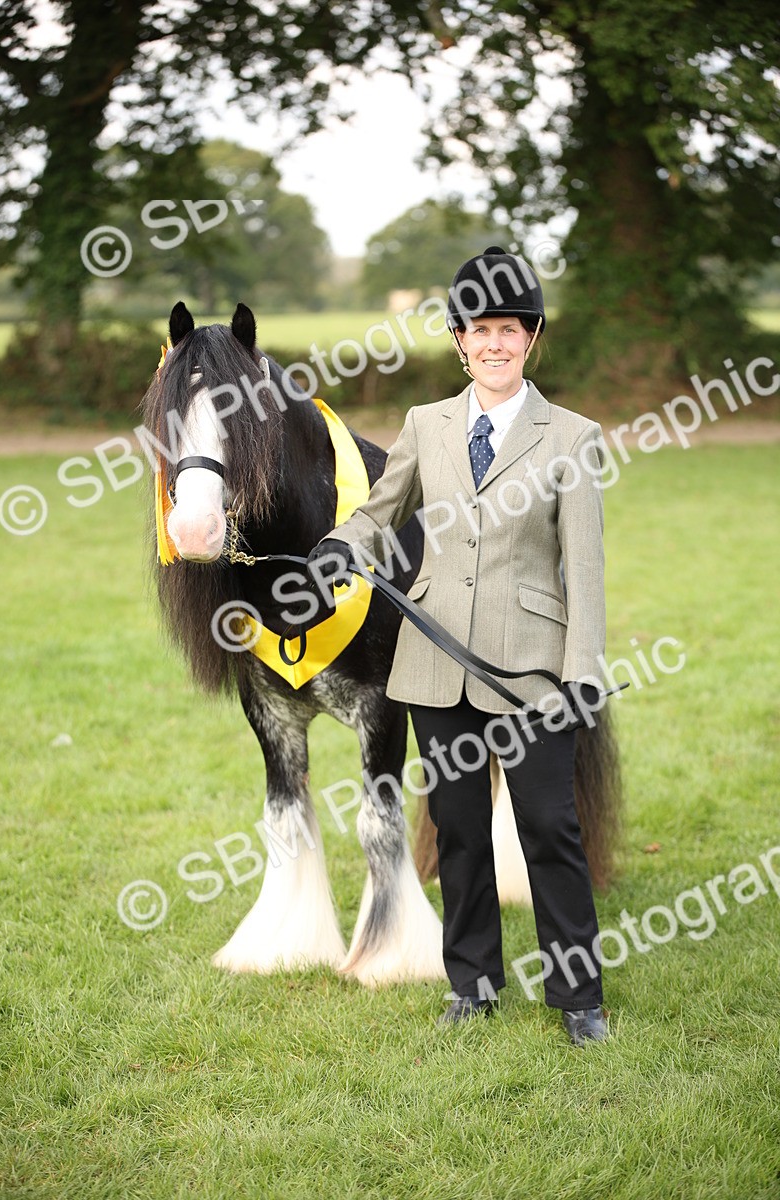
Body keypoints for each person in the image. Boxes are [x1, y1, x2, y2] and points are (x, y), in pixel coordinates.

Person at [307, 246, 609, 1046]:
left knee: (550, 828)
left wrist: (582, 677)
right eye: (479, 331)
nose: (494, 344)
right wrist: (344, 543)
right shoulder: (424, 426)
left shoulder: (573, 438)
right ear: (458, 339)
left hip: (532, 674)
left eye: (509, 329)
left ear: (531, 338)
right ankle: (472, 984)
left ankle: (579, 997)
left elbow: (586, 569)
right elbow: (380, 511)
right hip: (436, 667)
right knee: (460, 830)